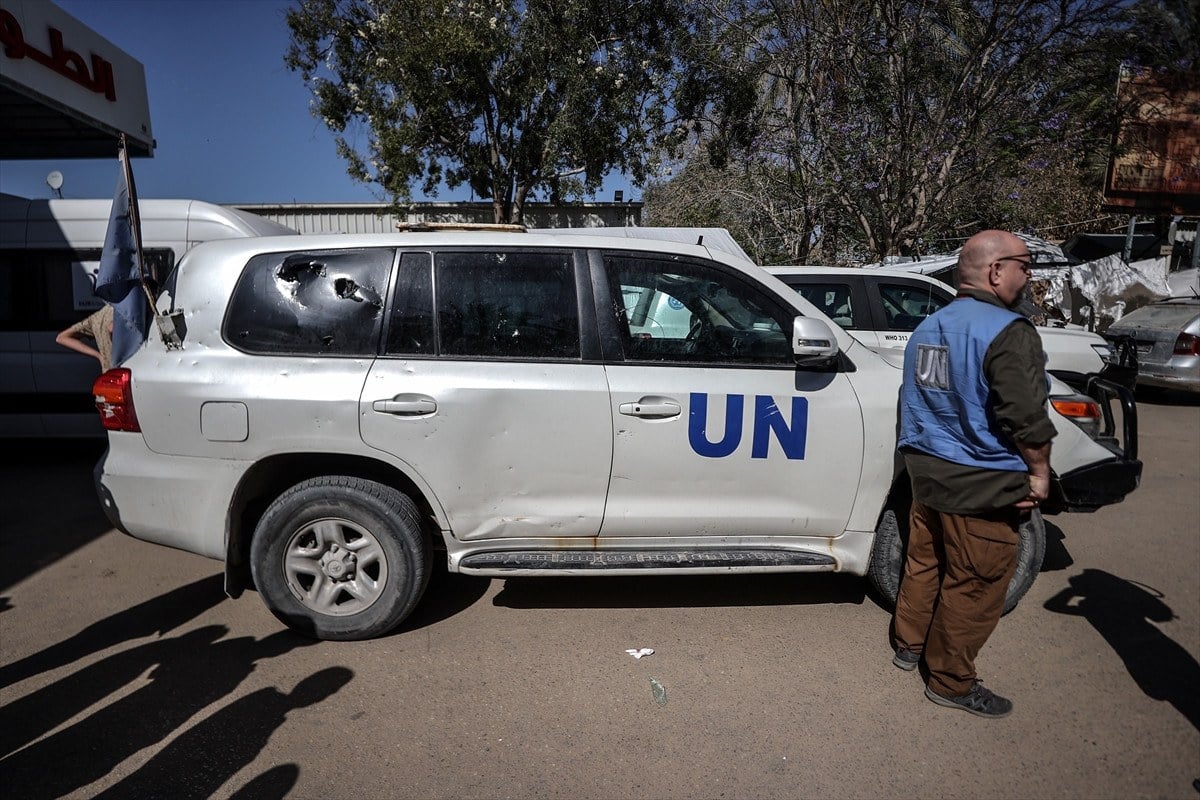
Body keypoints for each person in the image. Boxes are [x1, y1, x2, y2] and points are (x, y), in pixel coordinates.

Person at [891, 229, 1056, 719]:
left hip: (926, 470)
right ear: (995, 271)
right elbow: (1025, 416)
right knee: (976, 581)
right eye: (1025, 265)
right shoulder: (1009, 331)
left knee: (926, 561)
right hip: (981, 477)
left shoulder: (929, 326)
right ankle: (951, 681)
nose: (1028, 276)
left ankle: (910, 645)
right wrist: (1040, 473)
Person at [56, 304, 115, 372]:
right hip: (123, 370)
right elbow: (111, 328)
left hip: (109, 374)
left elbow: (61, 338)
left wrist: (99, 356)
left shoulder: (98, 317)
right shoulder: (123, 313)